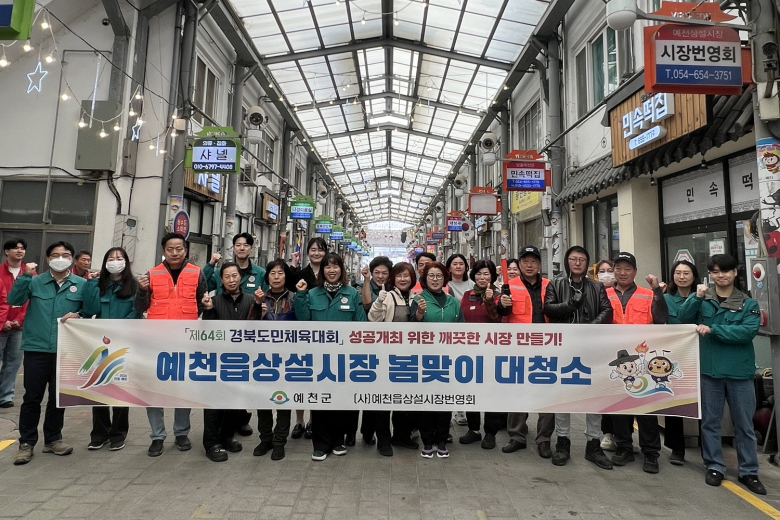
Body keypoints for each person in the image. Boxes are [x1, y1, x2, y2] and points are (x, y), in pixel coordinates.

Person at [678, 254, 765, 495]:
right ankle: (714, 466)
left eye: (725, 271)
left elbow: (746, 332)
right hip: (710, 372)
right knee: (710, 422)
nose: (721, 275)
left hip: (740, 374)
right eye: (715, 271)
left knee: (744, 426)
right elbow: (683, 318)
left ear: (735, 272)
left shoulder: (748, 304)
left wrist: (713, 329)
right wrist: (696, 297)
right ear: (710, 274)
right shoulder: (703, 300)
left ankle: (749, 471)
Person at [9, 241, 99, 465]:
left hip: (66, 349)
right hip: (36, 348)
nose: (61, 258)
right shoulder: (35, 281)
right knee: (32, 397)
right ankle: (26, 443)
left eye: (66, 255)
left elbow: (91, 310)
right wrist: (25, 276)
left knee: (58, 398)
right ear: (48, 259)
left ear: (72, 259)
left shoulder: (82, 284)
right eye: (56, 255)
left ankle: (53, 439)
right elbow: (14, 300)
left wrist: (80, 314)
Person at [134, 233, 208, 458]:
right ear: (163, 251)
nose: (175, 253)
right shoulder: (151, 274)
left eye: (179, 249)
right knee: (153, 389)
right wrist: (141, 290)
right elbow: (140, 307)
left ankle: (181, 432)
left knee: (183, 388)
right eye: (170, 249)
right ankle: (157, 436)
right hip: (156, 342)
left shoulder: (197, 273)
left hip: (185, 342)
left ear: (185, 250)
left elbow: (201, 303)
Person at [543, 245, 613, 470]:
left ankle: (593, 444)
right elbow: (548, 309)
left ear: (587, 263)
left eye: (582, 259)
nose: (577, 263)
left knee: (594, 395)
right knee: (564, 395)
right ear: (567, 261)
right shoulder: (555, 284)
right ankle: (563, 442)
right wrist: (570, 305)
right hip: (564, 348)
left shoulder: (597, 286)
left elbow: (607, 311)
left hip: (591, 348)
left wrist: (589, 329)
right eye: (573, 259)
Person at [294, 253, 367, 461]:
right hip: (319, 357)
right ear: (322, 270)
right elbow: (303, 320)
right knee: (320, 401)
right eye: (327, 267)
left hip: (343, 358)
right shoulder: (312, 293)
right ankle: (320, 444)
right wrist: (300, 295)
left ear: (341, 270)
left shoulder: (351, 294)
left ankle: (337, 441)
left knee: (340, 400)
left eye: (335, 266)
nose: (332, 270)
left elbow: (360, 324)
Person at [605, 252, 667, 474]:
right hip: (615, 359)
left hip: (643, 360)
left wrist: (657, 291)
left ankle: (651, 452)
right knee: (619, 406)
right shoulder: (604, 294)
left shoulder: (647, 294)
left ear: (635, 272)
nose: (622, 272)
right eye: (618, 268)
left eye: (627, 268)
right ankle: (624, 447)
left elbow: (661, 319)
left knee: (646, 407)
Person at [204, 232, 269, 437]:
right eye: (238, 245)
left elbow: (264, 297)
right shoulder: (220, 272)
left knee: (243, 380)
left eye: (245, 245)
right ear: (233, 248)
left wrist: (261, 308)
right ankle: (222, 426)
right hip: (223, 330)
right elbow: (203, 284)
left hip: (248, 335)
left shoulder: (259, 273)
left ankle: (240, 420)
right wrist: (210, 265)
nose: (241, 248)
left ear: (251, 248)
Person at [497, 246, 555, 459]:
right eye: (525, 261)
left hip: (547, 347)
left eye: (533, 261)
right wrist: (502, 304)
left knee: (547, 395)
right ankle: (517, 436)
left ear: (540, 264)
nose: (529, 265)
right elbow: (501, 312)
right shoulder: (509, 286)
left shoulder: (550, 285)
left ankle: (544, 439)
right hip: (519, 348)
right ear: (519, 264)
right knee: (518, 393)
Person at [84, 247, 138, 452]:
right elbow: (90, 309)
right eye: (111, 258)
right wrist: (91, 283)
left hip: (124, 344)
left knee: (121, 389)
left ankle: (118, 433)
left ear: (126, 262)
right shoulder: (98, 284)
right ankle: (99, 433)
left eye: (119, 258)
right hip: (100, 344)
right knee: (98, 388)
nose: (115, 262)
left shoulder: (134, 285)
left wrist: (120, 331)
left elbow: (137, 311)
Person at [409, 261, 464, 458]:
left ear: (444, 278)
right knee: (425, 402)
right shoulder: (419, 299)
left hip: (447, 360)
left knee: (443, 402)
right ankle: (427, 441)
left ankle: (441, 439)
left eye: (439, 276)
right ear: (425, 279)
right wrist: (419, 313)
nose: (435, 279)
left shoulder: (453, 302)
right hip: (423, 359)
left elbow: (462, 328)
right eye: (431, 276)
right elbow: (411, 329)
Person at [200, 262, 253, 462]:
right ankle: (212, 443)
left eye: (234, 276)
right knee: (213, 404)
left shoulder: (251, 300)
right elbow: (207, 331)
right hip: (217, 361)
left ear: (240, 278)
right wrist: (208, 310)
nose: (231, 280)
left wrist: (259, 307)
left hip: (241, 361)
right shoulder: (214, 301)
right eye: (227, 276)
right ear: (221, 280)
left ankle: (227, 437)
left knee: (234, 402)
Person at [367, 262, 419, 452]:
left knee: (403, 400)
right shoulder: (387, 296)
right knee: (384, 400)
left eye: (406, 275)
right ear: (393, 278)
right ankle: (383, 440)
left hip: (409, 356)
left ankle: (401, 436)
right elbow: (373, 319)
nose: (403, 279)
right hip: (387, 356)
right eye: (399, 275)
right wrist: (378, 303)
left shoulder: (416, 297)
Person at [252, 259, 296, 461]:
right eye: (272, 273)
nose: (276, 277)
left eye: (280, 273)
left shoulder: (294, 298)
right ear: (267, 277)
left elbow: (304, 324)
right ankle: (265, 438)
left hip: (288, 358)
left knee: (283, 400)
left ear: (286, 276)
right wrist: (257, 309)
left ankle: (280, 441)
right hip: (263, 358)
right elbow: (247, 329)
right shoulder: (259, 298)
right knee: (262, 400)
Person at [458, 260, 504, 449]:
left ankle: (491, 433)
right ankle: (474, 429)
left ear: (492, 276)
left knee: (491, 392)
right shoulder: (467, 295)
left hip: (492, 352)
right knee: (471, 391)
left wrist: (489, 300)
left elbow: (497, 319)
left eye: (486, 274)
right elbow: (460, 320)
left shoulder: (499, 296)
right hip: (469, 353)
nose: (482, 277)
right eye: (478, 274)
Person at [290, 237, 329, 439]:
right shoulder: (300, 273)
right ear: (307, 252)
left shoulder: (330, 273)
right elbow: (290, 288)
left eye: (320, 250)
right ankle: (299, 421)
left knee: (318, 378)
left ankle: (314, 420)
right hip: (302, 331)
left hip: (323, 332)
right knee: (301, 377)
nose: (316, 253)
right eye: (313, 249)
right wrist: (292, 265)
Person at [662, 260, 699, 465]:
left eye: (686, 273)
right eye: (678, 273)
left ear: (694, 276)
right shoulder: (665, 298)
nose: (682, 277)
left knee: (701, 403)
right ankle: (677, 448)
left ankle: (706, 447)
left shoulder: (704, 298)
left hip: (699, 355)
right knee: (675, 403)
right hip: (674, 356)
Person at [0, 239, 29, 408]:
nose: (20, 251)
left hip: (19, 327)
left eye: (22, 248)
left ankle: (5, 396)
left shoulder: (30, 274)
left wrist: (19, 320)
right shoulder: (0, 272)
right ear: (6, 251)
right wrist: (3, 321)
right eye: (15, 248)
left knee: (13, 362)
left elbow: (29, 301)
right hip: (1, 324)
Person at [595, 259, 617, 452]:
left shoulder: (631, 292)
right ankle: (608, 433)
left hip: (626, 351)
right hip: (602, 350)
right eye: (601, 271)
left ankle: (625, 438)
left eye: (610, 270)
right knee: (607, 395)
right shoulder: (594, 293)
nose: (606, 274)